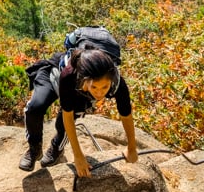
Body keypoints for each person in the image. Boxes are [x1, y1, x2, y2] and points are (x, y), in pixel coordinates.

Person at [19, 47, 138, 177]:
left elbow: (126, 115)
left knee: (63, 124)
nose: (99, 93)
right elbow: (67, 115)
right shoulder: (69, 75)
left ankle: (57, 146)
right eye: (94, 87)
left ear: (111, 81)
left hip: (80, 91)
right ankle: (34, 148)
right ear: (85, 80)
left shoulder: (118, 84)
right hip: (53, 73)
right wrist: (78, 156)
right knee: (35, 108)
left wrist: (132, 148)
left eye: (105, 87)